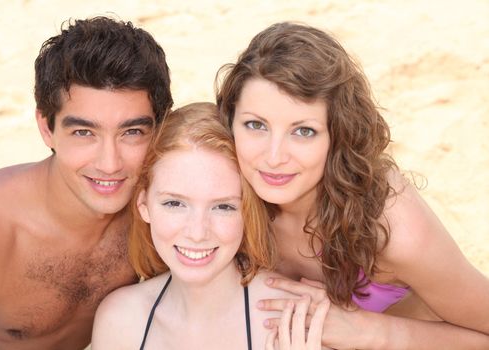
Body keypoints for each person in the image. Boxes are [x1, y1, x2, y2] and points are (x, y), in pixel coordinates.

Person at [216, 22, 489, 349]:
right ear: (230, 122)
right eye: (255, 125)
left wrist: (372, 332)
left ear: (338, 134)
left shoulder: (391, 227)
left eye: (303, 131)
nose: (274, 157)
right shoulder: (221, 188)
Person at [0, 16, 172, 350]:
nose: (110, 164)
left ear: (158, 130)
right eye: (84, 133)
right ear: (46, 127)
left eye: (132, 132)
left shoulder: (158, 212)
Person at [91, 102, 330, 350]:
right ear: (144, 205)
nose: (197, 233)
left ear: (248, 213)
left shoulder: (293, 322)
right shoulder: (119, 321)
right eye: (174, 203)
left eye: (223, 207)